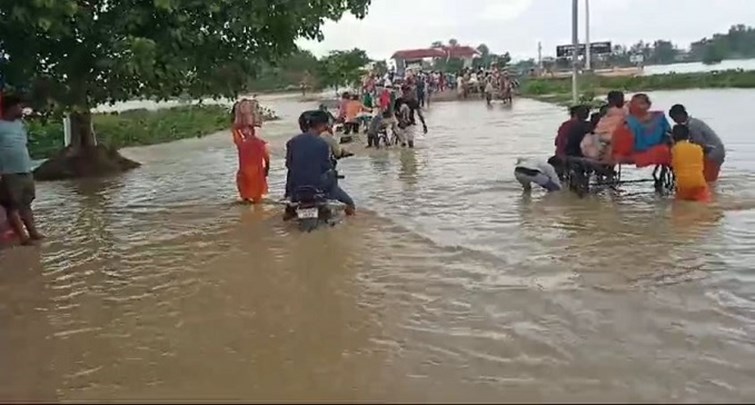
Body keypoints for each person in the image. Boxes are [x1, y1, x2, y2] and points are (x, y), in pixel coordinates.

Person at [286, 110, 355, 215]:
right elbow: (326, 166)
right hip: (318, 188)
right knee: (349, 204)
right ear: (322, 125)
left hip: (296, 189)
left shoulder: (292, 142)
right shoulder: (323, 143)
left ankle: (288, 212)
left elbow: (289, 165)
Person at [0, 94, 43, 245]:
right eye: (19, 106)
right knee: (12, 205)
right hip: (9, 172)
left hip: (25, 169)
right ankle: (23, 237)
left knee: (26, 203)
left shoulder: (20, 124)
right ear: (10, 108)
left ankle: (33, 233)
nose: (21, 109)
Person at [669, 104, 725, 182]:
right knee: (708, 179)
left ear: (681, 115)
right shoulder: (692, 123)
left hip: (713, 153)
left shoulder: (692, 125)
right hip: (715, 151)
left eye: (675, 118)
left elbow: (699, 144)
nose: (675, 121)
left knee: (707, 180)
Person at [232, 99, 269, 204]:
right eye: (243, 129)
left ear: (252, 130)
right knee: (254, 201)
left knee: (252, 201)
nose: (244, 131)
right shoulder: (246, 142)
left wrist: (266, 170)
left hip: (254, 174)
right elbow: (267, 159)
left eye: (246, 129)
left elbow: (267, 159)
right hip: (249, 174)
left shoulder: (253, 143)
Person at [671, 125, 710, 202]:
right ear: (688, 136)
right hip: (699, 182)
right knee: (704, 207)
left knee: (682, 208)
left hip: (682, 184)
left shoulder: (673, 150)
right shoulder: (698, 148)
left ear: (673, 136)